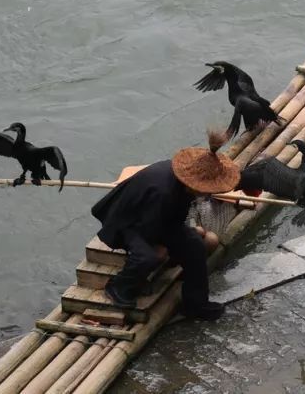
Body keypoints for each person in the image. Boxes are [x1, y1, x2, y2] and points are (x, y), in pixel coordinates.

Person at [91, 129, 239, 321]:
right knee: (148, 256)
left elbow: (174, 220)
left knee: (194, 244)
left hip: (157, 220)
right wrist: (163, 247)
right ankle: (118, 286)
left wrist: (187, 235)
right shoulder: (164, 193)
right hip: (129, 223)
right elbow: (148, 228)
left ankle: (195, 303)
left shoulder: (182, 186)